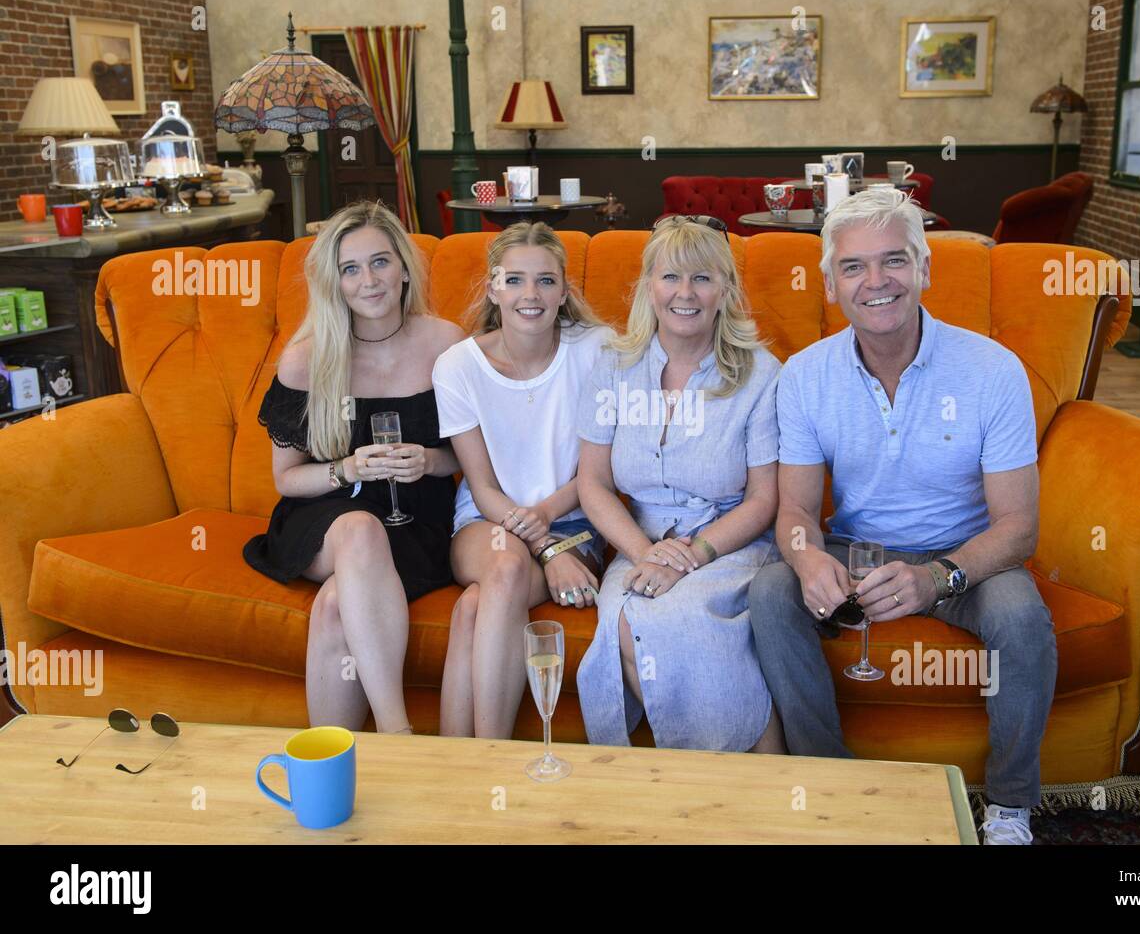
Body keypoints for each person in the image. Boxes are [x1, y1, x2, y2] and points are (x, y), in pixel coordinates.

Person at [747, 186, 1055, 844]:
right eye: (854, 267)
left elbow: (1017, 529)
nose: (876, 281)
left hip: (965, 555)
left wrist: (936, 578)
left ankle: (1008, 807)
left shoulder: (992, 371)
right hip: (858, 550)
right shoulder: (804, 375)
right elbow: (797, 508)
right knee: (771, 591)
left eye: (894, 261)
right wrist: (805, 557)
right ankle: (831, 781)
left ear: (924, 269)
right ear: (831, 284)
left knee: (1021, 614)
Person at [243, 199, 465, 735]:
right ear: (334, 282)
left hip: (417, 524)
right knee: (360, 529)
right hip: (325, 517)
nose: (369, 280)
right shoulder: (307, 358)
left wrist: (432, 460)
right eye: (351, 268)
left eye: (381, 262)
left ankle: (332, 766)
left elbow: (473, 456)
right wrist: (349, 468)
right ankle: (398, 732)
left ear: (405, 268)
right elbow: (286, 479)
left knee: (338, 606)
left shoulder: (447, 344)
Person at [576, 215, 785, 753]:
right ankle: (705, 778)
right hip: (639, 540)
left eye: (703, 279)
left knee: (686, 617)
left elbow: (765, 499)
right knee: (625, 619)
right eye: (671, 277)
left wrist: (690, 555)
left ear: (725, 290)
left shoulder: (760, 373)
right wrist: (646, 553)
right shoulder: (614, 367)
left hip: (728, 540)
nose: (685, 294)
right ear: (648, 287)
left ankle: (750, 774)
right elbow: (593, 484)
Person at [434, 222, 612, 739]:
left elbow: (597, 474)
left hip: (578, 520)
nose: (529, 295)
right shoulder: (457, 367)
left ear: (564, 291)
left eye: (545, 281)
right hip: (487, 521)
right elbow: (483, 488)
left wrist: (555, 536)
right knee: (506, 566)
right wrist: (547, 551)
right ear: (492, 288)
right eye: (513, 280)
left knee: (475, 605)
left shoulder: (597, 349)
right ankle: (495, 758)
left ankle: (457, 762)